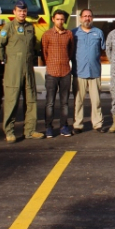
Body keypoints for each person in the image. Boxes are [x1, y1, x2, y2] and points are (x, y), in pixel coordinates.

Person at [0, 0, 44, 143]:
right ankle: (9, 131)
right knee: (12, 101)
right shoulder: (8, 27)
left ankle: (30, 130)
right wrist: (6, 60)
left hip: (28, 69)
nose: (22, 13)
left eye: (24, 11)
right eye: (19, 10)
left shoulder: (30, 27)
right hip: (13, 69)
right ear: (14, 12)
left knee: (31, 100)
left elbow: (32, 44)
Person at [71, 9, 106, 134]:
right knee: (78, 101)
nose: (87, 18)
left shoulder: (98, 32)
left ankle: (97, 124)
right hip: (78, 72)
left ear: (93, 18)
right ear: (80, 18)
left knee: (96, 101)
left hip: (94, 72)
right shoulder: (73, 33)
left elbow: (102, 50)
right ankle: (78, 125)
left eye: (89, 16)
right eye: (85, 16)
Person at [41, 9, 74, 138]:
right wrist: (51, 64)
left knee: (64, 102)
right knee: (50, 102)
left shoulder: (69, 34)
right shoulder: (47, 35)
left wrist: (65, 61)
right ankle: (48, 127)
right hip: (51, 73)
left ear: (64, 20)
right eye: (57, 19)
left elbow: (70, 51)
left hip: (65, 72)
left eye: (62, 19)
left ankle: (64, 126)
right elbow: (44, 53)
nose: (60, 21)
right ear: (53, 19)